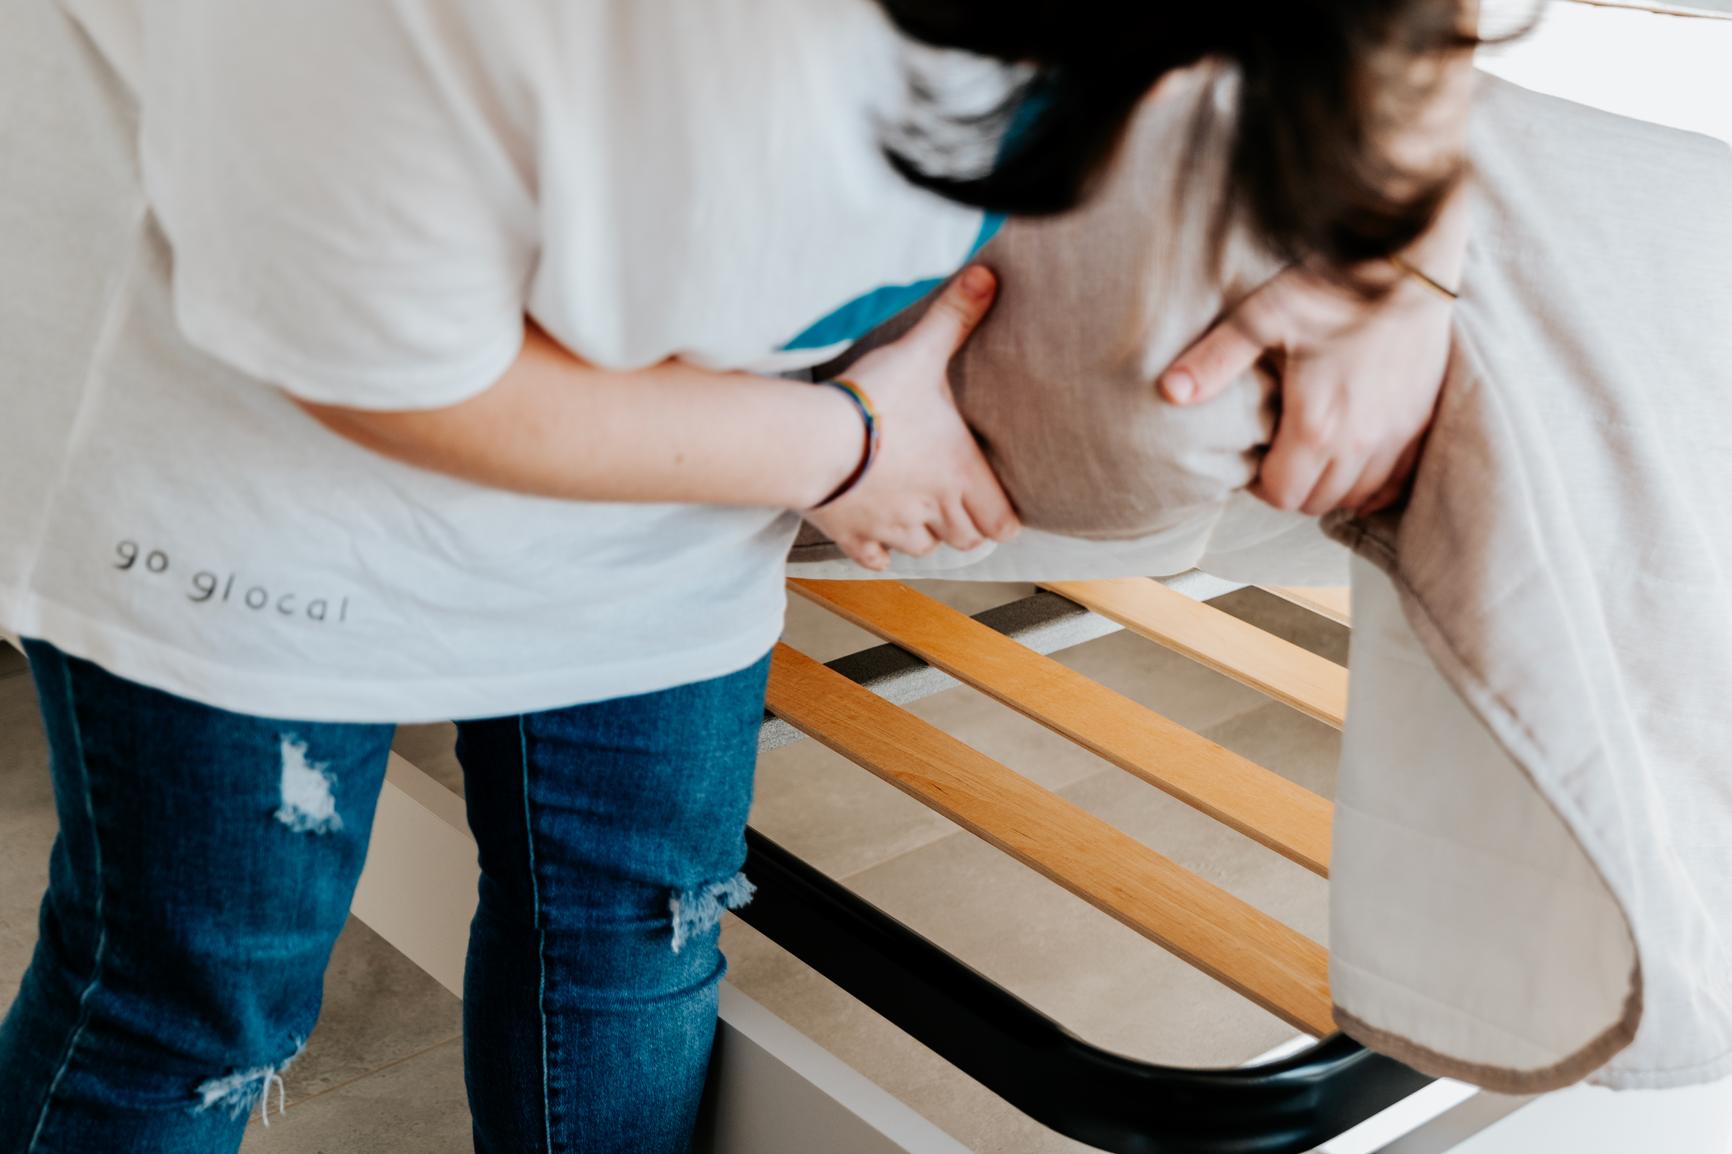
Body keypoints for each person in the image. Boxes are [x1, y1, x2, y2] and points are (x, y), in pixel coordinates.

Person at [0, 1, 1474, 1151]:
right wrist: (845, 447)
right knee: (193, 1008)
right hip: (258, 454)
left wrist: (1398, 250)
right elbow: (379, 370)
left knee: (635, 933)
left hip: (702, 444)